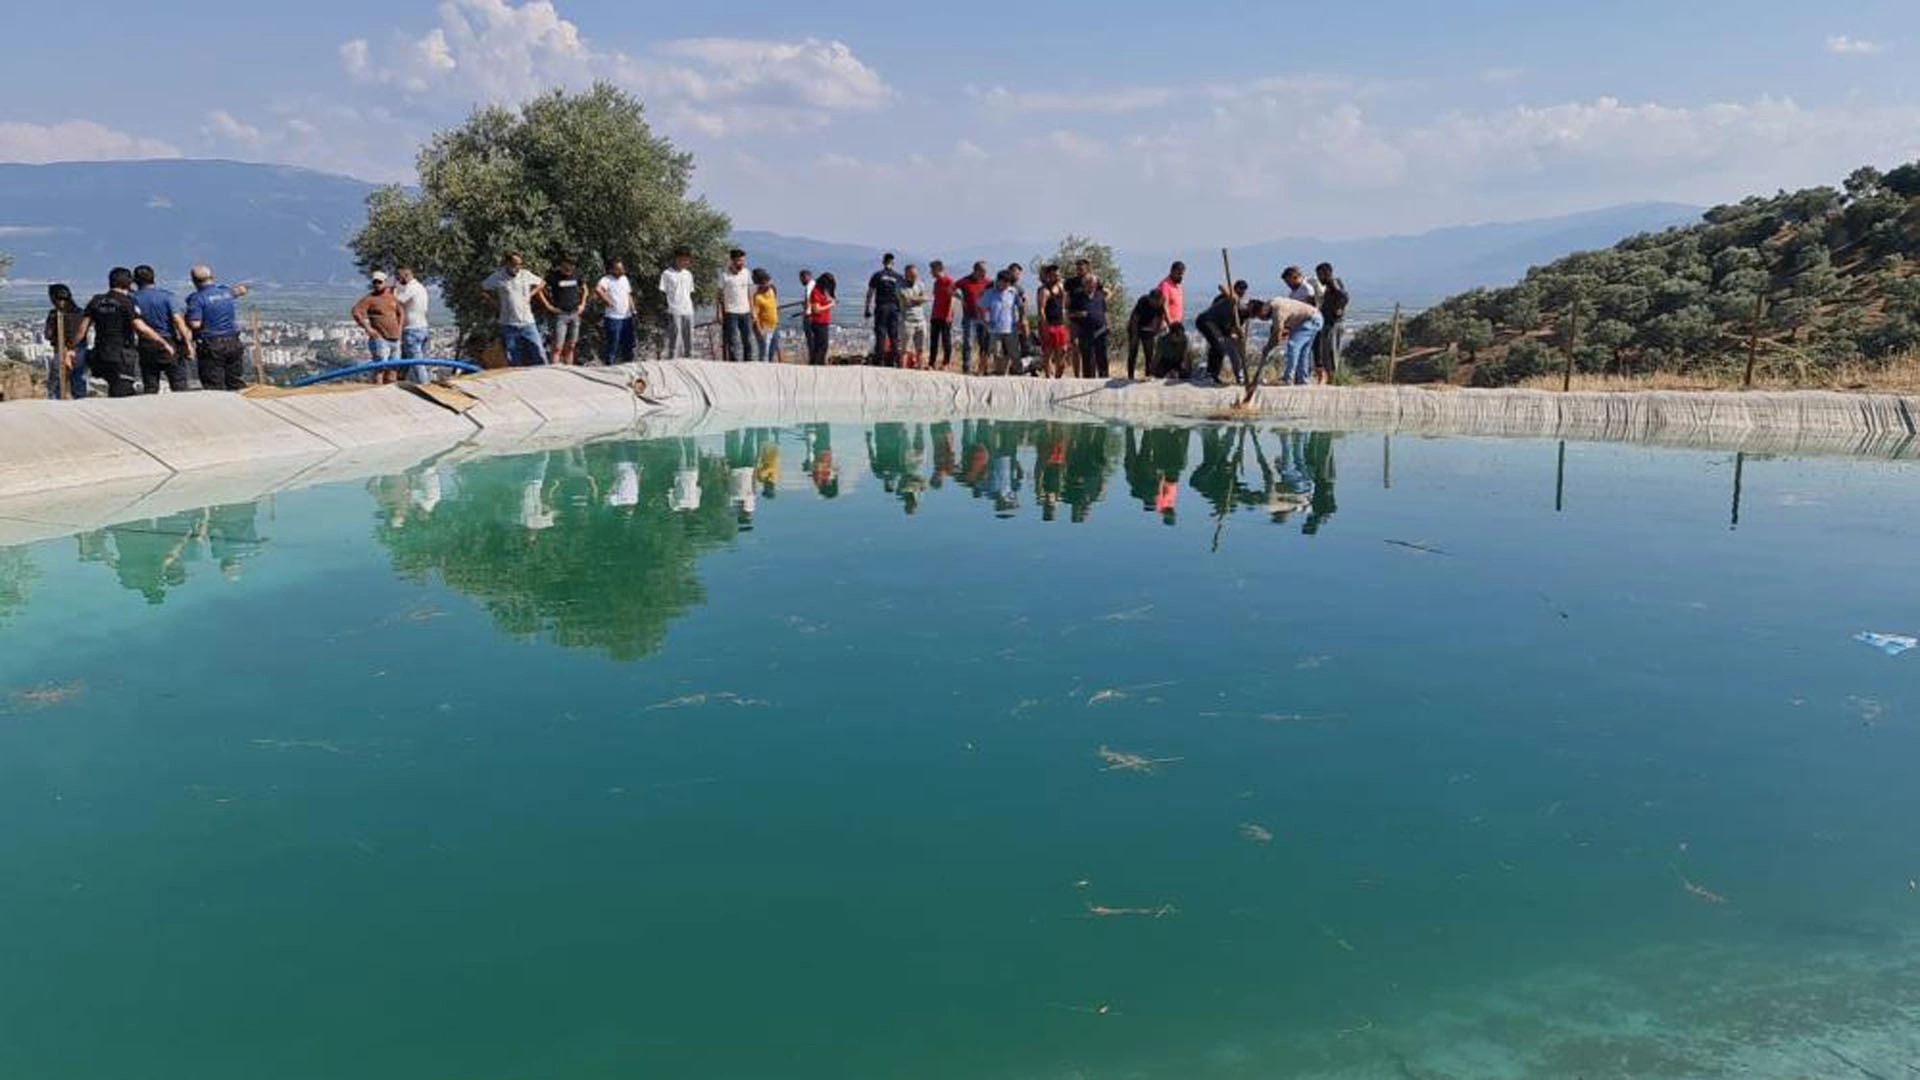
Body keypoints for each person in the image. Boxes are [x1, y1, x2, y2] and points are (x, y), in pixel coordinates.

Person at [68, 267, 169, 398]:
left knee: (108, 388)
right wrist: (162, 342)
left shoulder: (96, 301)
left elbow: (82, 330)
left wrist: (71, 348)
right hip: (122, 356)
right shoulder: (127, 302)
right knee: (122, 394)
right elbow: (140, 328)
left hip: (100, 354)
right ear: (128, 283)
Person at [185, 264, 249, 391]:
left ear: (194, 281)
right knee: (235, 382)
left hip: (211, 343)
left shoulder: (197, 299)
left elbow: (195, 324)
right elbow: (240, 291)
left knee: (214, 385)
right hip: (233, 341)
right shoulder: (225, 291)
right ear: (212, 277)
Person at [131, 265, 193, 394]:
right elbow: (178, 320)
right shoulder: (167, 296)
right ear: (154, 278)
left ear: (135, 281)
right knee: (179, 385)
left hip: (146, 344)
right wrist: (188, 343)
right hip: (169, 342)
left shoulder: (133, 299)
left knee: (150, 386)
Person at [480, 252, 548, 367]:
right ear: (507, 264)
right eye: (515, 264)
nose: (518, 267)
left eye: (520, 264)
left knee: (539, 352)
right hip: (508, 324)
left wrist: (531, 294)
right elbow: (482, 288)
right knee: (513, 356)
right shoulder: (498, 277)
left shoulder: (525, 274)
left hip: (528, 322)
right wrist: (495, 303)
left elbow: (542, 283)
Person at [1195, 281, 1264, 385]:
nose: (1253, 316)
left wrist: (1236, 335)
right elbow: (1221, 286)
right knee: (1219, 347)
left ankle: (1213, 375)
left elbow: (1229, 330)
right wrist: (1232, 297)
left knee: (1220, 348)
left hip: (1218, 327)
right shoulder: (1236, 302)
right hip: (1207, 321)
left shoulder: (1242, 318)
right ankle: (1210, 374)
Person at [351, 271, 406, 383]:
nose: (377, 284)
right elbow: (356, 312)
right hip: (381, 339)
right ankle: (378, 393)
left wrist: (400, 328)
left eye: (379, 282)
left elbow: (401, 313)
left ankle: (391, 394)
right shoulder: (370, 299)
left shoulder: (392, 297)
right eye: (375, 282)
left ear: (385, 282)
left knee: (394, 368)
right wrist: (368, 329)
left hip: (395, 339)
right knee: (380, 368)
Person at [1266, 293, 1325, 386]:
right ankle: (1303, 379)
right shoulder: (1274, 303)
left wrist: (1270, 346)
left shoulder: (1276, 310)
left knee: (1293, 345)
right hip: (1315, 318)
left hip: (1311, 320)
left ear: (1262, 310)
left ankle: (1288, 378)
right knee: (1304, 352)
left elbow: (1278, 332)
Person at [1066, 259, 1110, 379]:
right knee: (1088, 357)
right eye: (1089, 283)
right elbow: (1069, 313)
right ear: (1084, 284)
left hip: (1100, 330)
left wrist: (1108, 325)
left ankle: (1104, 378)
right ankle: (1088, 380)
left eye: (1093, 283)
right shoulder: (1077, 297)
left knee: (1102, 357)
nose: (1091, 285)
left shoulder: (1100, 296)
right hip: (1084, 331)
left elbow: (1104, 311)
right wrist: (1079, 314)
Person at [43, 284, 88, 399]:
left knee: (55, 386)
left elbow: (48, 334)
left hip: (61, 351)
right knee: (78, 383)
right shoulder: (81, 313)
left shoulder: (55, 314)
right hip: (80, 351)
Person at [541, 255, 587, 365]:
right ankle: (555, 373)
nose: (569, 270)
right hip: (560, 315)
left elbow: (585, 289)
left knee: (571, 346)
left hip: (575, 314)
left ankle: (569, 371)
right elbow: (539, 289)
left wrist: (583, 304)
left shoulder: (578, 274)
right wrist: (548, 306)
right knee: (557, 347)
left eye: (572, 267)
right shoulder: (553, 276)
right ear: (562, 265)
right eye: (567, 267)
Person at [393, 266, 433, 383]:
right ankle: (401, 380)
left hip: (412, 329)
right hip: (423, 327)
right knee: (409, 359)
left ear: (406, 275)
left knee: (417, 363)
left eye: (399, 277)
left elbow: (399, 299)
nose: (398, 279)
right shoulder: (421, 287)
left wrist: (395, 288)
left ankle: (425, 386)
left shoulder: (411, 288)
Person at [865, 252, 905, 367]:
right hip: (894, 308)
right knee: (894, 334)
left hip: (882, 307)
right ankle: (894, 361)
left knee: (880, 333)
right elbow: (902, 294)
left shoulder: (877, 275)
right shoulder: (898, 277)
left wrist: (867, 308)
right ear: (893, 263)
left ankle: (879, 361)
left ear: (883, 262)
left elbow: (870, 293)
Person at [953, 261, 993, 375]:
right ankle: (966, 367)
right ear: (976, 270)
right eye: (983, 272)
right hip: (969, 317)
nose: (985, 274)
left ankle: (983, 368)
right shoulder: (965, 281)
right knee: (968, 343)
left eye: (985, 272)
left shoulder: (988, 282)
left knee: (984, 344)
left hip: (984, 317)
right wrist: (960, 298)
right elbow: (951, 288)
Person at [1314, 262, 1350, 385]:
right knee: (1327, 352)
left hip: (1333, 323)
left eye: (1320, 275)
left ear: (1326, 274)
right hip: (1328, 322)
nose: (1319, 278)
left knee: (1331, 351)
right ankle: (1331, 378)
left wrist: (1339, 309)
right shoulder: (1331, 285)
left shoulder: (1333, 283)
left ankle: (1333, 379)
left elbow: (1344, 296)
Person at [717, 248, 754, 362]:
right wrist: (719, 312)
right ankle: (734, 363)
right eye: (739, 261)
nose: (741, 263)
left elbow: (749, 292)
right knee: (733, 341)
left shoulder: (746, 273)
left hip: (746, 311)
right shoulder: (724, 276)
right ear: (732, 261)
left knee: (747, 340)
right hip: (731, 312)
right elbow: (719, 296)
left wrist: (753, 311)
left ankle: (748, 362)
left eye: (743, 261)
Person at [596, 260, 636, 364]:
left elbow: (628, 294)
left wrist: (633, 309)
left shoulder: (624, 279)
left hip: (627, 317)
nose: (622, 270)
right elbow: (598, 289)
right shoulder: (606, 279)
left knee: (628, 343)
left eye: (622, 268)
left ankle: (627, 364)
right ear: (612, 269)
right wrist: (607, 300)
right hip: (613, 317)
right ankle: (610, 365)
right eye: (619, 268)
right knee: (613, 343)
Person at [657, 250, 694, 360]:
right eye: (683, 260)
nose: (686, 262)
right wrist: (666, 307)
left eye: (687, 260)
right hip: (674, 309)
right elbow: (662, 291)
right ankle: (672, 359)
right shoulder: (667, 274)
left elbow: (690, 291)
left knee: (689, 337)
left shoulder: (688, 274)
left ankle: (689, 358)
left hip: (688, 309)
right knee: (674, 336)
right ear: (677, 259)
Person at [1036, 265, 1071, 378]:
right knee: (1048, 352)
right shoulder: (1045, 291)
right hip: (1049, 325)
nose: (1057, 276)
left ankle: (1058, 375)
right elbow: (1041, 309)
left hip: (1060, 324)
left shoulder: (1061, 288)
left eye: (1058, 274)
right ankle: (1048, 376)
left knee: (1063, 350)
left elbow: (1064, 305)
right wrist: (1044, 326)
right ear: (1049, 275)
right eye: (1055, 274)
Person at [982, 271, 1020, 375]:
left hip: (1010, 328)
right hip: (995, 329)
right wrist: (986, 321)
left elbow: (1020, 306)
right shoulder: (989, 293)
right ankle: (1000, 372)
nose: (1006, 285)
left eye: (1008, 283)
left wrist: (1020, 320)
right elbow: (982, 308)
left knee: (1013, 352)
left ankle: (1016, 372)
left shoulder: (1013, 293)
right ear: (998, 281)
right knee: (997, 352)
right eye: (1004, 283)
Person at [1126, 289, 1166, 381]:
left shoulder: (1161, 303)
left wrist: (1156, 330)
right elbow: (1135, 318)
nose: (1154, 304)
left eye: (1157, 302)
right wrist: (1134, 335)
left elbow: (1160, 317)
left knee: (1149, 353)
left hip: (1149, 328)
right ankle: (1130, 376)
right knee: (1133, 350)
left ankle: (1148, 375)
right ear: (1150, 299)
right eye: (1153, 302)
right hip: (1136, 326)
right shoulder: (1143, 301)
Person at [899, 263, 929, 369]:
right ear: (906, 275)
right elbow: (906, 299)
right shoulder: (900, 285)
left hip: (921, 320)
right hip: (907, 320)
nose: (914, 278)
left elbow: (926, 297)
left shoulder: (920, 284)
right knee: (905, 349)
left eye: (915, 275)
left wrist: (916, 299)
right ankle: (902, 370)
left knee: (921, 348)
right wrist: (918, 299)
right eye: (911, 275)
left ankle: (920, 368)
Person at [928, 260, 956, 371]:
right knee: (933, 340)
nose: (931, 272)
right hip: (935, 315)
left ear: (938, 269)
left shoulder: (948, 281)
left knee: (946, 339)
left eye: (932, 270)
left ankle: (946, 363)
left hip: (945, 316)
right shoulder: (936, 283)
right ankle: (931, 363)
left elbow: (953, 298)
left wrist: (949, 314)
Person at [805, 272, 837, 366]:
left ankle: (819, 363)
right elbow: (816, 309)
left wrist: (829, 300)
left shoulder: (822, 291)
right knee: (820, 346)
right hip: (818, 322)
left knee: (823, 346)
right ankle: (817, 364)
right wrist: (830, 305)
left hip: (824, 322)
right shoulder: (815, 292)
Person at [751, 268, 782, 363]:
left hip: (774, 324)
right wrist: (759, 329)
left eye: (768, 281)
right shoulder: (757, 297)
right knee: (764, 351)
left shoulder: (772, 289)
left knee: (772, 349)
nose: (768, 284)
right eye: (765, 282)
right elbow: (755, 315)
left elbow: (775, 304)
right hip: (764, 326)